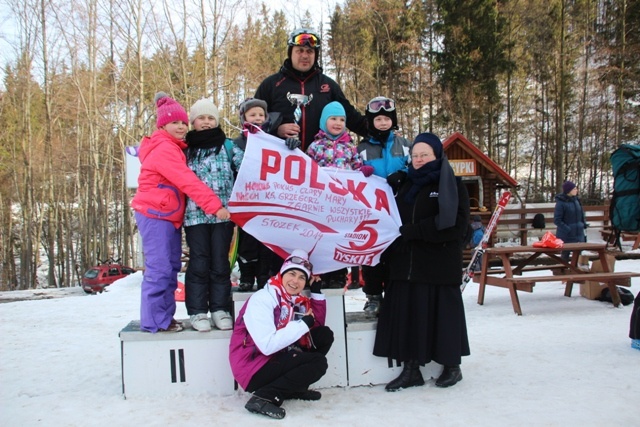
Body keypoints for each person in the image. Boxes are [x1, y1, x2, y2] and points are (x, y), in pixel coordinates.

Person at [373, 132, 470, 391]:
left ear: (437, 155)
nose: (418, 159)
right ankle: (411, 369)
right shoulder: (405, 184)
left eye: (424, 154)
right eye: (415, 155)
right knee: (409, 316)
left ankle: (452, 366)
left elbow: (457, 226)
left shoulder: (452, 184)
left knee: (443, 317)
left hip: (438, 264)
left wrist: (416, 232)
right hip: (406, 264)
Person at [131, 92, 230, 333]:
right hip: (156, 214)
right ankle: (155, 321)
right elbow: (187, 180)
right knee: (160, 269)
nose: (181, 127)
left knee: (171, 267)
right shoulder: (164, 148)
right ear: (162, 125)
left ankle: (163, 318)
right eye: (175, 122)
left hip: (167, 215)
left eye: (184, 122)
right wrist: (214, 206)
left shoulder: (175, 147)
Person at [229, 249, 334, 419]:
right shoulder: (263, 299)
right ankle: (264, 397)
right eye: (292, 274)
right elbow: (267, 345)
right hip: (253, 367)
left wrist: (316, 293)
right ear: (282, 273)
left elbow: (314, 327)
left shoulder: (293, 300)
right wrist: (302, 324)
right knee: (318, 363)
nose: (296, 281)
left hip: (274, 358)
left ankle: (293, 388)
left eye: (302, 277)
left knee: (323, 336)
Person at [182, 98, 243, 332]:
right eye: (201, 118)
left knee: (220, 262)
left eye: (210, 118)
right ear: (193, 122)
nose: (206, 122)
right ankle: (197, 311)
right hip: (195, 216)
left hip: (223, 215)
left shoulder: (227, 146)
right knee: (199, 262)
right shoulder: (186, 150)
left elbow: (247, 165)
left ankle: (220, 308)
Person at [254, 28, 368, 151]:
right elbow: (252, 122)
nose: (304, 55)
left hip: (319, 161)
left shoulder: (328, 86)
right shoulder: (271, 84)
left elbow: (352, 118)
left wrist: (381, 129)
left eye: (309, 51)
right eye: (300, 51)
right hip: (280, 160)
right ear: (291, 52)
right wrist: (276, 130)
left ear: (315, 55)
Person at [306, 101, 373, 288]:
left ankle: (338, 273)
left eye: (342, 119)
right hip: (321, 201)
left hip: (342, 203)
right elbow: (306, 169)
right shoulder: (315, 146)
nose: (338, 122)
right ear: (323, 121)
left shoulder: (350, 147)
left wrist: (363, 170)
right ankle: (320, 273)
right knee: (321, 238)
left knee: (339, 238)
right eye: (333, 119)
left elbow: (356, 166)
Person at [356, 96, 411, 316]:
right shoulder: (361, 147)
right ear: (371, 122)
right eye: (377, 119)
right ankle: (373, 296)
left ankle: (395, 294)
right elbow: (351, 171)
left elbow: (415, 167)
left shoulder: (405, 144)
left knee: (397, 254)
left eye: (386, 119)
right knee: (373, 254)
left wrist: (403, 175)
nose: (382, 123)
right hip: (373, 210)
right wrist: (361, 173)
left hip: (399, 209)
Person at [232, 98, 284, 292]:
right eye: (253, 115)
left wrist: (290, 145)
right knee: (248, 242)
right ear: (244, 118)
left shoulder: (275, 141)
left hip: (269, 202)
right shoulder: (237, 143)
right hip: (246, 202)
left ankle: (265, 277)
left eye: (261, 115)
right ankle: (246, 276)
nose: (258, 118)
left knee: (266, 243)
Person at [553, 180, 586, 262]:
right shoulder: (561, 203)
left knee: (579, 254)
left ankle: (577, 272)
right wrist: (567, 229)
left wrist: (583, 224)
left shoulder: (577, 201)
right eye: (574, 189)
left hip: (578, 233)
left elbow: (581, 214)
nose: (576, 190)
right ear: (568, 191)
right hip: (566, 234)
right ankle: (562, 271)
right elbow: (557, 220)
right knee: (565, 255)